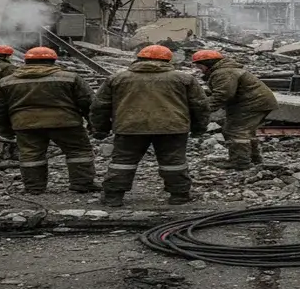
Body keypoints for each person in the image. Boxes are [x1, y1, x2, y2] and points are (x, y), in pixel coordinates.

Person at [90, 44, 210, 206]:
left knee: (123, 162)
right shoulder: (183, 79)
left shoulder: (118, 78)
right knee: (173, 162)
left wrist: (101, 129)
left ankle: (113, 196)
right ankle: (179, 195)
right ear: (168, 60)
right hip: (172, 127)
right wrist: (199, 128)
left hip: (130, 127)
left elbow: (100, 106)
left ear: (138, 59)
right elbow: (199, 106)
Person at [0, 47, 98, 194]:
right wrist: (93, 123)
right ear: (53, 60)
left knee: (31, 155)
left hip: (25, 124)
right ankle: (82, 184)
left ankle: (34, 187)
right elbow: (87, 102)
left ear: (26, 61)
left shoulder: (6, 82)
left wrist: (4, 128)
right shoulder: (69, 77)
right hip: (65, 123)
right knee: (78, 152)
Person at [191, 50, 278, 169]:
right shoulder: (226, 70)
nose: (199, 69)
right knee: (246, 131)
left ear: (207, 63)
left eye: (199, 65)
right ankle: (253, 158)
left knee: (235, 130)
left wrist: (203, 109)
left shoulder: (223, 73)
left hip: (251, 104)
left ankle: (240, 162)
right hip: (256, 102)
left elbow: (223, 95)